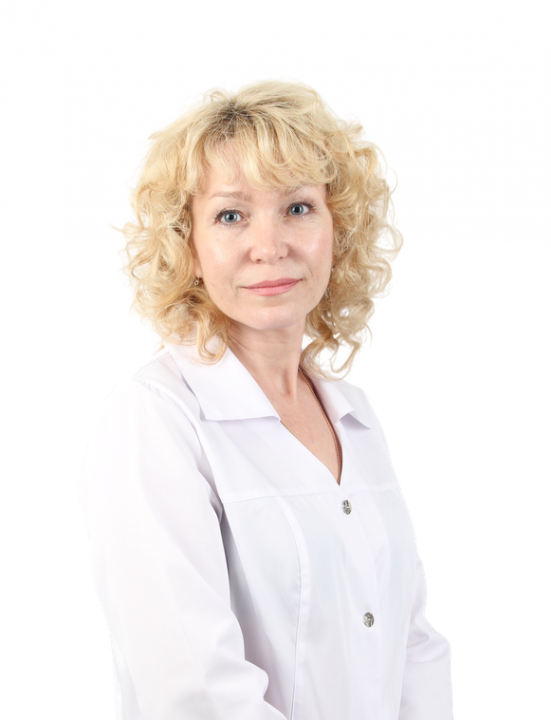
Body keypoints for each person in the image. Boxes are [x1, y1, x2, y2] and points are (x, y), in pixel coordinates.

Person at [83, 80, 453, 720]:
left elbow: (411, 645)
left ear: (338, 227)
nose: (270, 245)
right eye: (231, 215)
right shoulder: (157, 417)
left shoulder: (354, 416)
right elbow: (196, 690)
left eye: (298, 208)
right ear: (187, 243)